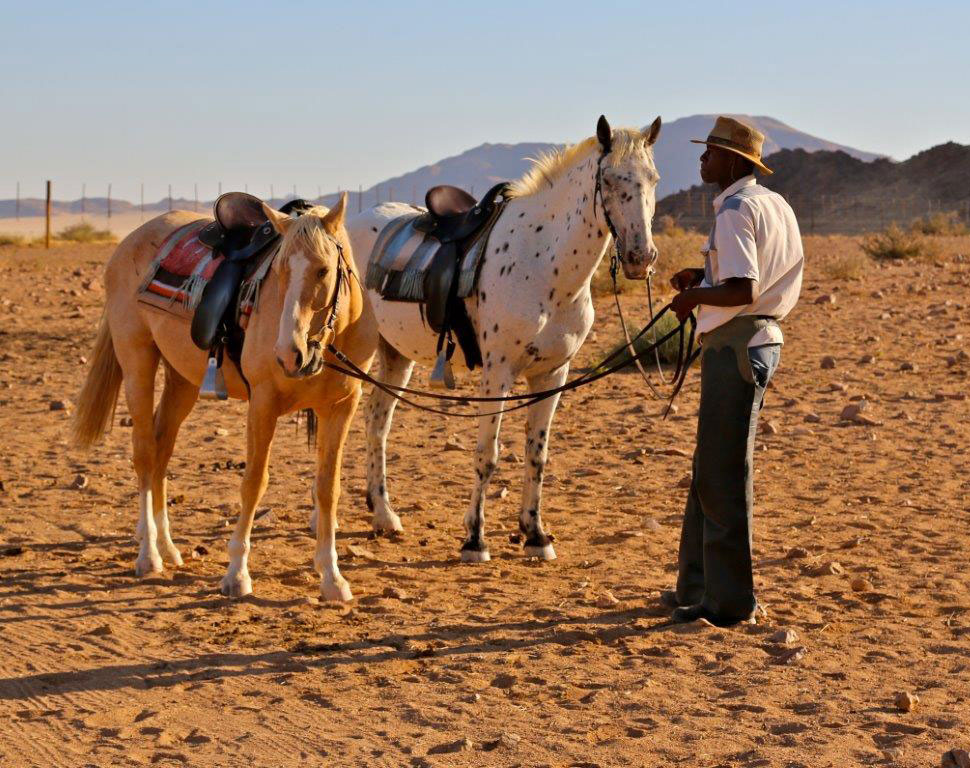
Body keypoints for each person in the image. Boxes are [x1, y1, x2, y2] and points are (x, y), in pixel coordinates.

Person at [661, 116, 804, 626]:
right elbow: (752, 275)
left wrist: (693, 297)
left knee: (722, 473)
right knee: (710, 466)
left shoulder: (736, 210)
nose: (702, 160)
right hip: (753, 342)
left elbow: (742, 290)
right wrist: (702, 276)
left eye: (710, 153)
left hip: (737, 346)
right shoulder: (772, 204)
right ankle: (694, 586)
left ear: (734, 162)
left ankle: (728, 602)